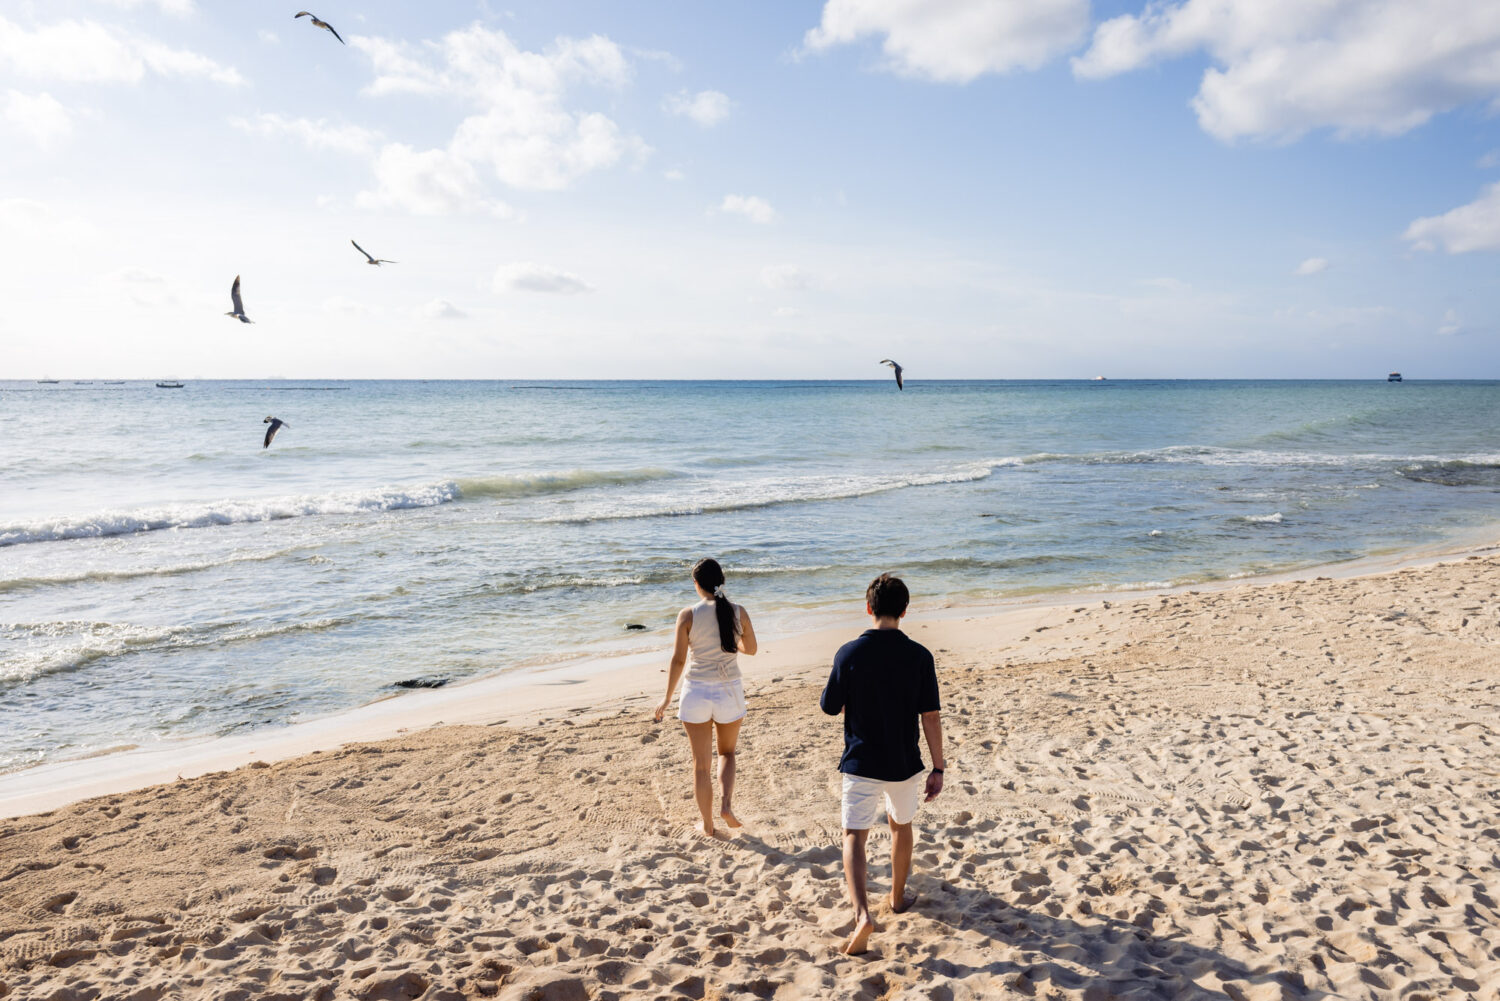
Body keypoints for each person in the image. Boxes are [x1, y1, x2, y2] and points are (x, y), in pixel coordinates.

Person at [820, 573, 944, 955]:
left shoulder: (849, 653)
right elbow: (931, 717)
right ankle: (896, 897)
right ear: (904, 611)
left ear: (869, 608)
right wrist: (938, 767)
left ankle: (861, 915)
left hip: (860, 760)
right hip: (904, 762)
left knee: (854, 835)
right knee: (900, 826)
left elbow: (828, 705)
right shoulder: (920, 656)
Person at [654, 558, 759, 837]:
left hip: (696, 692)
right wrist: (730, 642)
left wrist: (666, 699)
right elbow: (751, 649)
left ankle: (708, 825)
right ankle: (726, 806)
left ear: (697, 585)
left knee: (701, 765)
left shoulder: (687, 615)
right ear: (721, 581)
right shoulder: (738, 611)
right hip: (729, 691)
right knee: (727, 753)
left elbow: (678, 660)